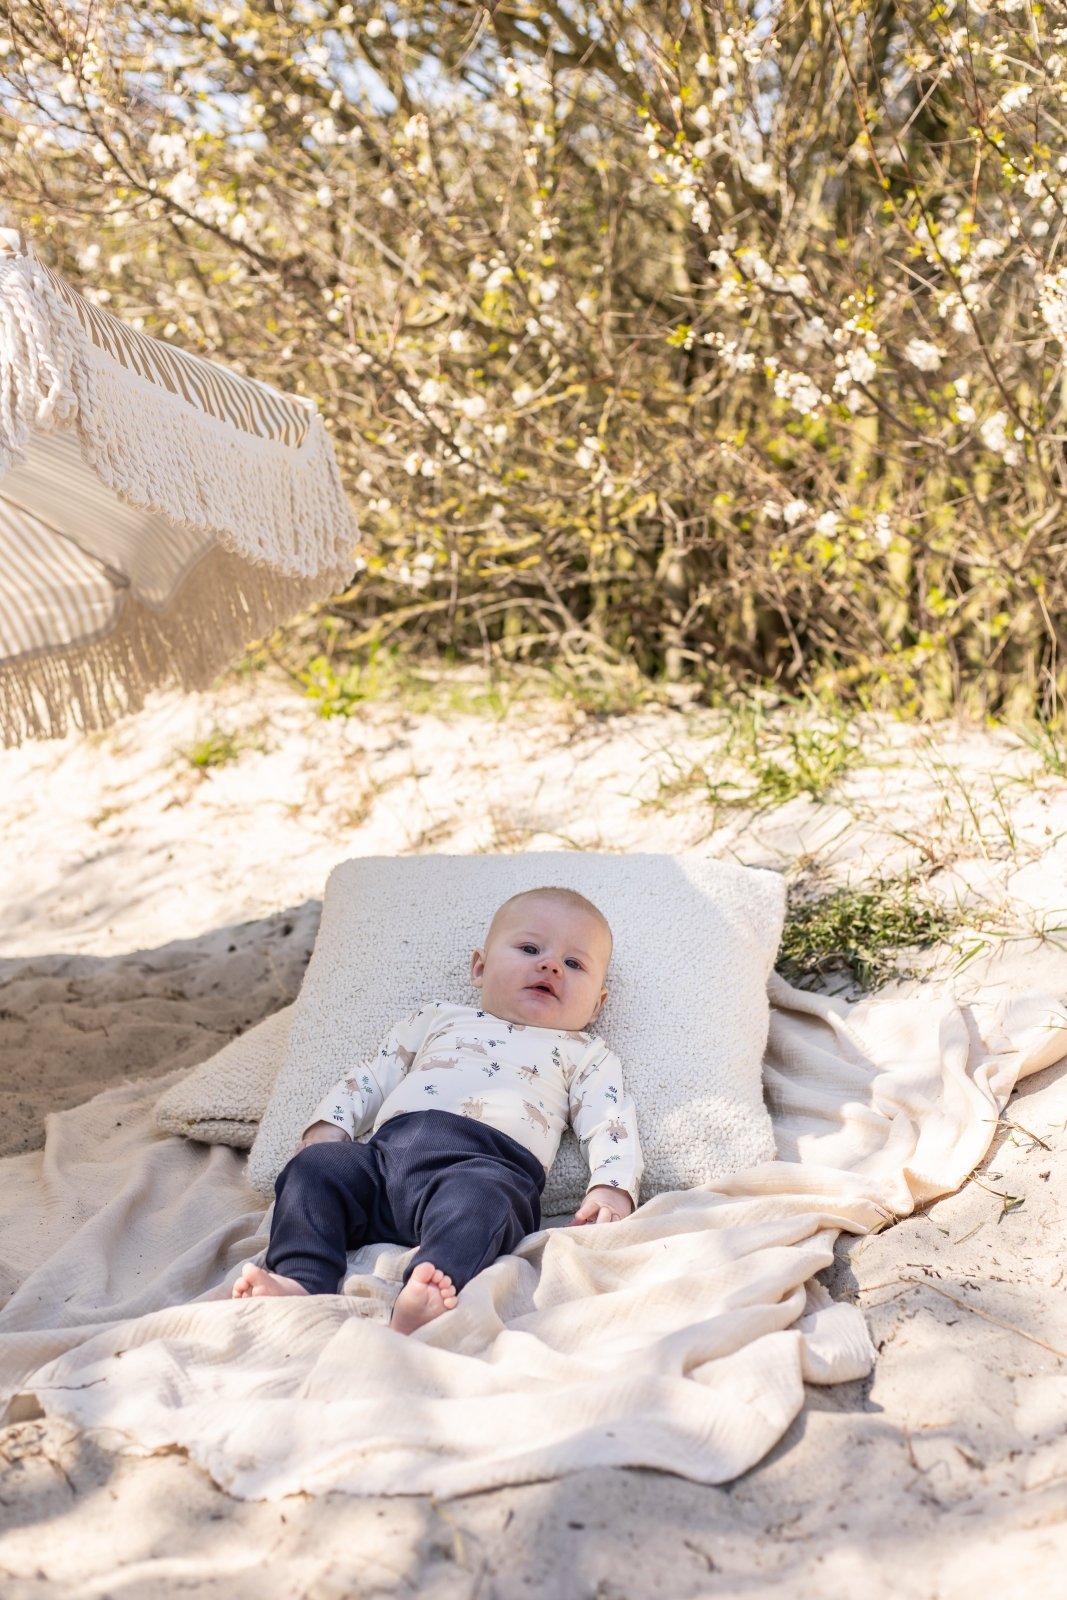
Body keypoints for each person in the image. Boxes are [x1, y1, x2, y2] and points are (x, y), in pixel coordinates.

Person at [232, 886, 642, 1332]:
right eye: (529, 948)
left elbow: (610, 1120)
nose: (549, 965)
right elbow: (374, 1075)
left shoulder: (584, 1053)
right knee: (316, 1169)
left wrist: (611, 1186)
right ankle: (301, 1281)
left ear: (597, 1004)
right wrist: (330, 1125)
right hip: (383, 1164)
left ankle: (432, 1286)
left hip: (485, 1169)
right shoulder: (438, 1018)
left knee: (485, 1205)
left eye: (574, 964)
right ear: (479, 968)